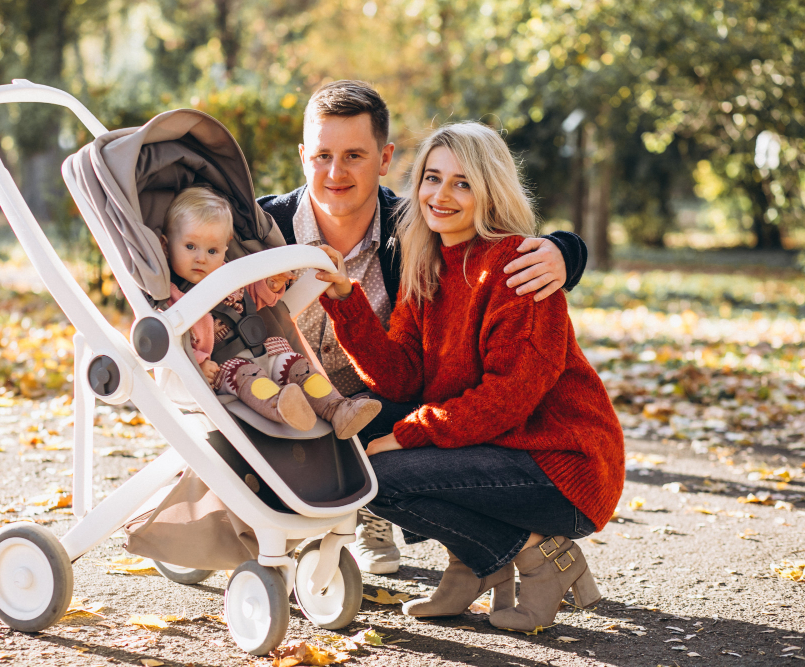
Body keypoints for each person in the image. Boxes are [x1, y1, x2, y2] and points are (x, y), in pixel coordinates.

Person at [258, 80, 589, 574]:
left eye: (354, 155)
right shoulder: (264, 228)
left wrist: (565, 250)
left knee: (378, 456)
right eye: (323, 155)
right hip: (283, 389)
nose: (335, 172)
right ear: (303, 155)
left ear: (385, 158)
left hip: (387, 403)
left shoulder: (411, 227)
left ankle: (379, 517)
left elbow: (492, 240)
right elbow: (196, 252)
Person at [314, 121, 624, 633]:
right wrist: (346, 302)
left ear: (490, 190)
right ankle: (476, 564)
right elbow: (400, 379)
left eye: (462, 183)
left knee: (375, 476)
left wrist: (406, 436)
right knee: (358, 444)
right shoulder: (429, 263)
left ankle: (541, 557)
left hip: (562, 464)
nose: (441, 195)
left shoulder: (517, 268)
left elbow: (506, 399)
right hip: (502, 447)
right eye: (432, 178)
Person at [160, 186, 382, 439]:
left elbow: (257, 296)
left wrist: (272, 284)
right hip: (227, 365)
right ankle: (283, 407)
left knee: (299, 367)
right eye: (190, 246)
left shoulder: (232, 274)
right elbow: (172, 341)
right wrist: (198, 364)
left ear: (225, 249)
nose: (201, 258)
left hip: (268, 349)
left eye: (212, 251)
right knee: (248, 376)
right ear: (166, 246)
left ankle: (339, 409)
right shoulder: (171, 297)